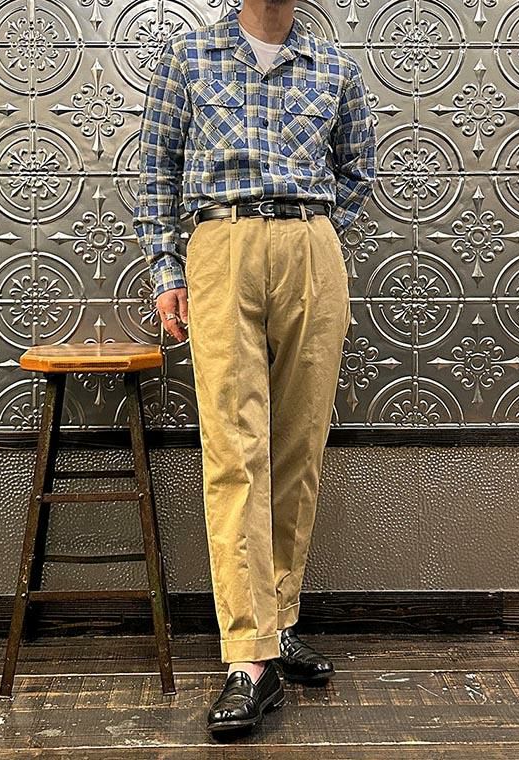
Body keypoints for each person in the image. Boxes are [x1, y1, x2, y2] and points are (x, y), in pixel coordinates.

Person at [133, 0, 377, 736]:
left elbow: (357, 171)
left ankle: (280, 618)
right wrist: (166, 269)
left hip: (309, 247)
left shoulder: (335, 67)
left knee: (298, 448)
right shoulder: (188, 57)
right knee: (234, 452)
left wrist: (314, 237)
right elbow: (156, 170)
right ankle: (248, 656)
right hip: (222, 245)